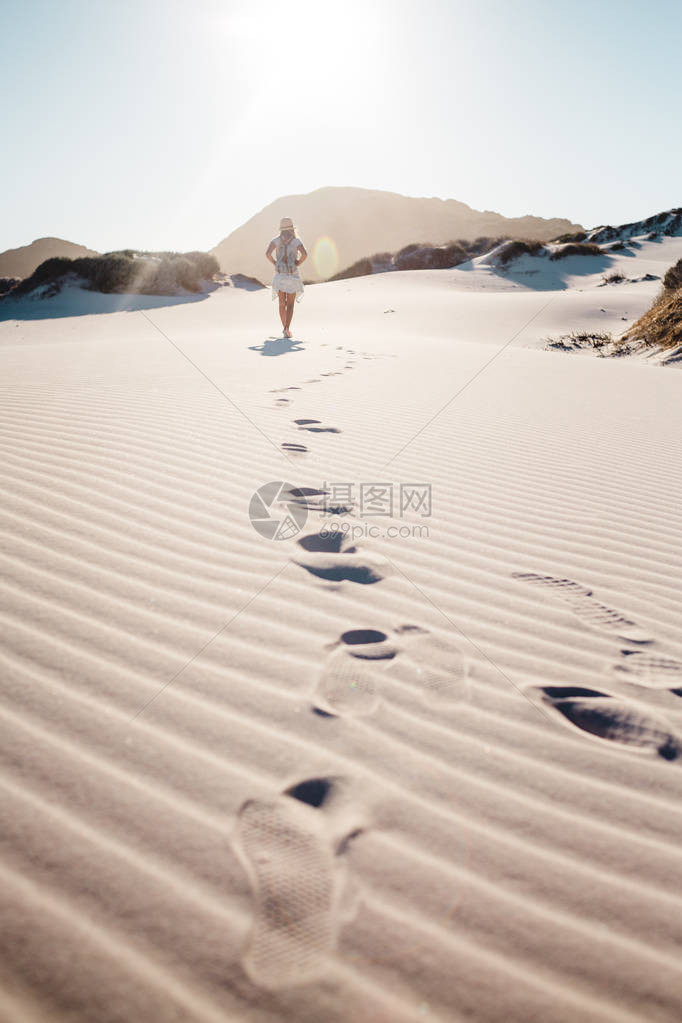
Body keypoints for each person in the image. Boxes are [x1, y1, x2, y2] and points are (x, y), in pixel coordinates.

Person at [265, 217, 307, 338]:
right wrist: (298, 262)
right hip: (292, 275)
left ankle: (285, 329)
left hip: (280, 275)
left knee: (281, 303)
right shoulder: (296, 241)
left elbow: (267, 254)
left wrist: (275, 263)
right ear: (292, 228)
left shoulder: (275, 241)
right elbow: (305, 254)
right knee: (291, 304)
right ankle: (286, 328)